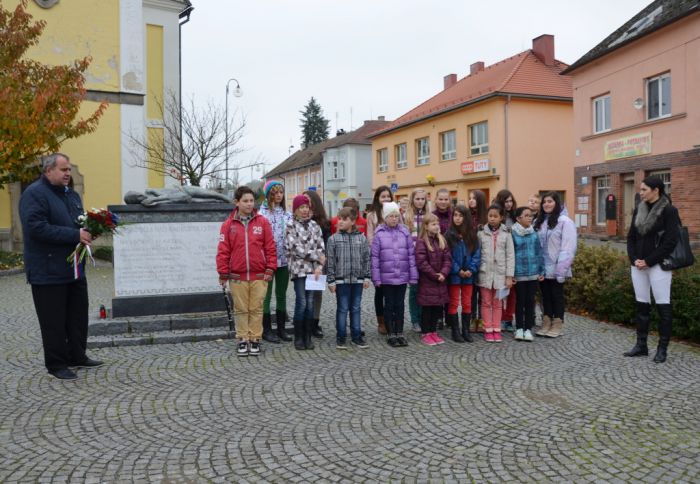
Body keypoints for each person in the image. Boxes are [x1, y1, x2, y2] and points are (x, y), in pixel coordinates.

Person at [19, 153, 104, 380]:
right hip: (47, 270)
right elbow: (36, 228)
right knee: (53, 321)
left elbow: (79, 223)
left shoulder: (72, 195)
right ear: (48, 171)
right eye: (63, 169)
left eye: (69, 170)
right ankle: (56, 364)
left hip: (74, 268)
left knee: (77, 317)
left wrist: (90, 230)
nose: (68, 173)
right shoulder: (34, 194)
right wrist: (75, 234)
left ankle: (78, 355)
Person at [624, 176, 679, 363]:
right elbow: (631, 237)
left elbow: (671, 241)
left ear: (656, 190)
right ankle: (641, 346)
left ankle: (662, 349)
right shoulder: (639, 209)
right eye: (640, 189)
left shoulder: (669, 211)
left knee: (663, 306)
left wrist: (648, 261)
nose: (640, 192)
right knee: (642, 305)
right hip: (638, 265)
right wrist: (634, 260)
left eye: (644, 190)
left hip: (658, 266)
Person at [216, 186, 276, 357]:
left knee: (256, 308)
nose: (249, 204)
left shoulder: (262, 222)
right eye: (245, 201)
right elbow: (223, 250)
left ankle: (255, 339)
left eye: (251, 201)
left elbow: (270, 247)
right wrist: (222, 273)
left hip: (259, 274)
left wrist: (270, 268)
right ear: (237, 202)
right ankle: (243, 338)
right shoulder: (228, 225)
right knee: (241, 309)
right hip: (237, 276)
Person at [371, 201, 417, 347]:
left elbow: (411, 255)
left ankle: (399, 332)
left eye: (396, 216)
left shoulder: (404, 232)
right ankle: (391, 333)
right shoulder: (379, 234)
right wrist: (376, 278)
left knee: (400, 305)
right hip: (387, 278)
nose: (394, 219)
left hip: (402, 276)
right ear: (385, 217)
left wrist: (413, 275)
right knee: (389, 305)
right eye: (391, 216)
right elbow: (375, 258)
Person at [534, 191, 577, 338]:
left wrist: (561, 269)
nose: (546, 204)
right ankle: (546, 321)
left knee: (556, 295)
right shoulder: (539, 222)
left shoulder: (565, 221)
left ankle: (558, 323)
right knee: (545, 296)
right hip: (542, 267)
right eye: (544, 201)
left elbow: (568, 246)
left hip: (557, 267)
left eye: (550, 201)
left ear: (557, 203)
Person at [285, 194, 325, 351]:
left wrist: (319, 266)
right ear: (295, 210)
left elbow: (320, 246)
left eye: (306, 207)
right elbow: (296, 249)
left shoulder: (315, 225)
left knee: (310, 303)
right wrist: (316, 256)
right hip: (298, 270)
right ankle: (299, 336)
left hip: (314, 270)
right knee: (301, 302)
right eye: (301, 207)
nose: (304, 210)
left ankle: (308, 336)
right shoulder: (290, 226)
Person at [326, 207, 371, 349]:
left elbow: (366, 259)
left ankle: (356, 336)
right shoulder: (333, 239)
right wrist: (331, 280)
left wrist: (367, 277)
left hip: (357, 280)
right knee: (342, 308)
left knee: (356, 308)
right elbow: (331, 261)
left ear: (353, 221)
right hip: (341, 281)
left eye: (344, 219)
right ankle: (341, 336)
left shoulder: (362, 238)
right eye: (339, 218)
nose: (340, 221)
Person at [258, 180, 293, 343]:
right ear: (269, 194)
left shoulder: (287, 214)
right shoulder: (261, 215)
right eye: (276, 192)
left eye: (281, 192)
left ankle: (281, 329)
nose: (279, 195)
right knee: (266, 296)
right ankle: (266, 330)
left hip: (284, 261)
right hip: (267, 262)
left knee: (281, 295)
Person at [477, 203, 515, 342]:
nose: (492, 218)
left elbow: (510, 256)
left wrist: (509, 276)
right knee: (486, 302)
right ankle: (488, 328)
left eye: (495, 216)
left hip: (501, 275)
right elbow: (477, 253)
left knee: (498, 303)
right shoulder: (481, 233)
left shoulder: (506, 234)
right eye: (490, 216)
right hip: (485, 274)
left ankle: (496, 328)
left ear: (501, 218)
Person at [415, 214, 452, 346]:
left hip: (440, 280)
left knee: (437, 308)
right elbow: (421, 262)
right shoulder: (421, 242)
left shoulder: (442, 240)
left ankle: (433, 331)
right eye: (433, 224)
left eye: (437, 224)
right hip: (428, 281)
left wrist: (443, 273)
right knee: (427, 309)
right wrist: (435, 275)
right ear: (426, 226)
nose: (436, 226)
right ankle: (426, 332)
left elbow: (448, 259)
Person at [445, 205, 480, 343]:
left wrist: (471, 270)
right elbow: (447, 256)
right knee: (453, 303)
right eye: (455, 215)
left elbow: (477, 254)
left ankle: (465, 330)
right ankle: (455, 331)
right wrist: (457, 270)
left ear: (466, 218)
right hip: (455, 275)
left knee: (467, 303)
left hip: (469, 276)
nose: (457, 218)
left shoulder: (472, 234)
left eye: (460, 215)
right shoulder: (448, 235)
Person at [511, 206, 545, 342]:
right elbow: (510, 254)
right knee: (520, 301)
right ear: (518, 218)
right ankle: (519, 328)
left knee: (530, 302)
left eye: (531, 215)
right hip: (518, 273)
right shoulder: (512, 233)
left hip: (532, 274)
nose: (530, 218)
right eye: (526, 215)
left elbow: (539, 253)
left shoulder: (534, 233)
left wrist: (541, 270)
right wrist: (510, 274)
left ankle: (528, 329)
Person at [366, 185, 393, 335]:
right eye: (383, 196)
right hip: (379, 257)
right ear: (377, 198)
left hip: (394, 257)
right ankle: (381, 321)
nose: (386, 199)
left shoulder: (395, 211)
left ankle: (391, 319)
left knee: (392, 290)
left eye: (388, 196)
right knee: (380, 291)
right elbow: (370, 237)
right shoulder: (372, 215)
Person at [304, 190, 331, 340]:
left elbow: (325, 245)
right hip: (303, 263)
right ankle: (305, 322)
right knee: (304, 295)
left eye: (308, 200)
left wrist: (321, 262)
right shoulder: (298, 221)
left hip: (319, 263)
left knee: (316, 294)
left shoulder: (323, 222)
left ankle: (315, 322)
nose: (306, 203)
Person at [494, 189, 518, 332]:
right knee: (500, 291)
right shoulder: (496, 217)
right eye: (506, 201)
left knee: (512, 291)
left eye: (510, 201)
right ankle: (500, 317)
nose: (509, 204)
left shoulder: (516, 216)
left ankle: (508, 318)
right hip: (499, 258)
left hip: (514, 257)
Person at [405, 188, 429, 332]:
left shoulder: (429, 215)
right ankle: (415, 320)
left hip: (426, 258)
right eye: (417, 199)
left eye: (422, 199)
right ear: (412, 200)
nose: (420, 201)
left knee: (425, 290)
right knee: (414, 290)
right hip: (412, 259)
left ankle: (424, 318)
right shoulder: (407, 216)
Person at [468, 189, 488, 334]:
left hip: (485, 260)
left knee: (482, 293)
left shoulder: (486, 218)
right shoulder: (467, 216)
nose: (471, 201)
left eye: (474, 198)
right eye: (469, 198)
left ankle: (481, 319)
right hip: (470, 259)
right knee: (471, 293)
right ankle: (471, 318)